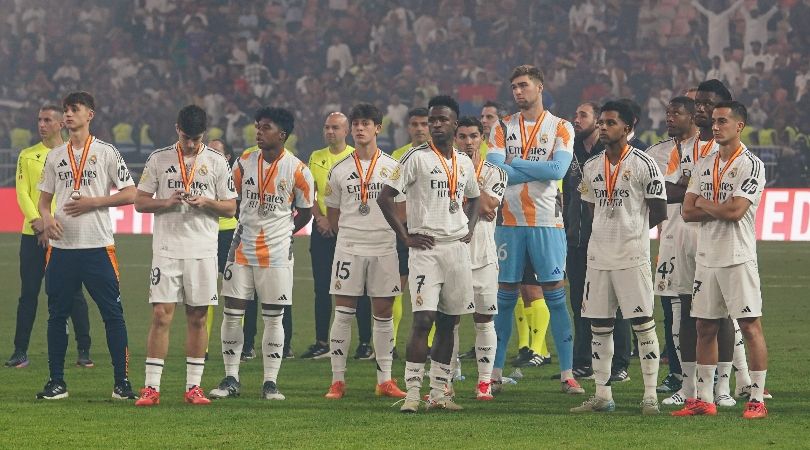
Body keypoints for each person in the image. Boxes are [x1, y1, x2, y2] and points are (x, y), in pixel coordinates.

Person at [378, 95, 480, 412]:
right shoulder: (415, 158)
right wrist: (405, 236)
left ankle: (438, 393)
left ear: (454, 123)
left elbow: (475, 198)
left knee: (449, 323)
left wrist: (471, 227)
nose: (435, 124)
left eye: (441, 119)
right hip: (427, 250)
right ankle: (411, 392)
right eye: (431, 120)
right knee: (423, 319)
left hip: (457, 250)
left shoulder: (463, 162)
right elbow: (384, 197)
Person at [486, 65, 583, 395]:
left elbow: (558, 168)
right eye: (513, 86)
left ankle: (568, 374)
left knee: (556, 296)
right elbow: (497, 172)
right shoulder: (502, 127)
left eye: (523, 85)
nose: (517, 92)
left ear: (540, 87)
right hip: (509, 222)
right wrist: (531, 171)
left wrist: (514, 164)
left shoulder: (561, 127)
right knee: (504, 299)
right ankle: (494, 373)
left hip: (547, 222)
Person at [35, 91, 137, 400]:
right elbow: (43, 202)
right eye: (65, 110)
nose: (67, 115)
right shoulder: (55, 156)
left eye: (74, 110)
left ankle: (122, 383)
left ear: (89, 115)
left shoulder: (106, 152)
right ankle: (56, 382)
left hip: (97, 247)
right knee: (56, 315)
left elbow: (131, 193)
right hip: (62, 249)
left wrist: (95, 202)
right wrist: (46, 219)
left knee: (113, 315)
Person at [133, 105, 237, 406]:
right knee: (161, 315)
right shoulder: (159, 158)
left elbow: (231, 207)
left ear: (203, 133)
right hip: (167, 249)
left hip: (203, 250)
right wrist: (166, 202)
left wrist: (206, 201)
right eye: (186, 137)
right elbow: (140, 203)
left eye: (196, 138)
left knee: (198, 317)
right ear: (177, 128)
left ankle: (194, 387)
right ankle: (151, 387)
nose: (191, 144)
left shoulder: (217, 161)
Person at [209, 107, 314, 401]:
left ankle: (270, 382)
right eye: (257, 126)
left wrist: (284, 231)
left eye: (265, 127)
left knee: (273, 317)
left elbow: (306, 213)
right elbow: (233, 199)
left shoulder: (298, 170)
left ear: (282, 135)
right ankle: (231, 377)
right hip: (241, 247)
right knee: (232, 314)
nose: (258, 132)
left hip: (278, 252)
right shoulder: (243, 162)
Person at [571, 101, 667, 414]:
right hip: (598, 258)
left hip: (632, 257)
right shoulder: (592, 165)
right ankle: (602, 394)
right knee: (599, 325)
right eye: (600, 122)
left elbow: (659, 210)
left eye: (610, 123)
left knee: (642, 323)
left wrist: (631, 231)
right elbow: (590, 206)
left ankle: (650, 395)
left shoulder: (644, 163)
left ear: (627, 127)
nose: (602, 127)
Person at [662, 80, 751, 407]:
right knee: (687, 311)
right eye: (696, 102)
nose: (699, 108)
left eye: (707, 104)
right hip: (684, 236)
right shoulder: (686, 146)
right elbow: (675, 194)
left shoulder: (723, 146)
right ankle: (689, 390)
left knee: (722, 315)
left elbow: (702, 197)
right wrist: (687, 194)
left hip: (716, 239)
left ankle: (722, 388)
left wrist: (690, 195)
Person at [677, 100, 769, 419]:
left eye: (722, 121)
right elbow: (686, 211)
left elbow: (735, 211)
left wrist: (706, 202)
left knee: (749, 325)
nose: (715, 127)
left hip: (737, 257)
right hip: (707, 258)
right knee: (705, 327)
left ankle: (757, 398)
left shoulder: (751, 164)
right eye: (714, 122)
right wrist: (714, 205)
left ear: (739, 125)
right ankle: (704, 398)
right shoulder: (705, 163)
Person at [322, 103, 407, 400]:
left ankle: (385, 379)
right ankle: (337, 380)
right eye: (356, 123)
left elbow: (402, 211)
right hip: (349, 248)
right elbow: (332, 216)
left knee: (383, 314)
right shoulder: (339, 169)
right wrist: (352, 231)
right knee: (343, 312)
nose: (359, 128)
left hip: (384, 247)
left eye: (366, 123)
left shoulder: (393, 167)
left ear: (378, 129)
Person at [7, 105, 93, 369]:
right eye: (39, 120)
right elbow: (22, 192)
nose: (41, 124)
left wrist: (53, 224)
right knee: (29, 294)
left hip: (63, 234)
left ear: (60, 125)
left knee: (74, 293)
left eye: (47, 120)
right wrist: (38, 223)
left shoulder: (71, 154)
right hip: (33, 233)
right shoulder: (27, 155)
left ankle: (84, 350)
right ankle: (20, 351)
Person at [302, 112, 373, 360]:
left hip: (348, 231)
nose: (330, 132)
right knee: (322, 289)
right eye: (327, 127)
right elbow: (308, 192)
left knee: (359, 288)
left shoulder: (356, 158)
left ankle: (365, 343)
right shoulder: (315, 157)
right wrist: (320, 219)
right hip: (322, 230)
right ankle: (322, 341)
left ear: (346, 132)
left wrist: (336, 222)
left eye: (335, 128)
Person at [647, 97, 700, 396]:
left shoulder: (708, 149)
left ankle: (724, 378)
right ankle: (677, 374)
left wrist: (684, 188)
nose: (669, 117)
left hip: (704, 236)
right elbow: (658, 193)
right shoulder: (657, 152)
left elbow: (702, 189)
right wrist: (686, 187)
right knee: (671, 309)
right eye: (667, 113)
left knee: (714, 312)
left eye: (675, 113)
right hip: (670, 238)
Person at [454, 116, 506, 400]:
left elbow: (488, 204)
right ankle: (447, 378)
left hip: (484, 256)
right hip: (453, 254)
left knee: (484, 320)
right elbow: (479, 205)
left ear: (482, 140)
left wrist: (464, 198)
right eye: (462, 137)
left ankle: (484, 382)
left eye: (474, 136)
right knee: (449, 319)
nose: (468, 142)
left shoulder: (496, 172)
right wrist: (475, 202)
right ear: (455, 139)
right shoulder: (446, 169)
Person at [390, 107, 430, 356]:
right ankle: (390, 344)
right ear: (408, 128)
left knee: (429, 292)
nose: (419, 128)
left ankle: (428, 345)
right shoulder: (398, 155)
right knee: (397, 287)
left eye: (423, 124)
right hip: (404, 230)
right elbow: (393, 196)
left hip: (430, 231)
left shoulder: (440, 155)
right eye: (414, 124)